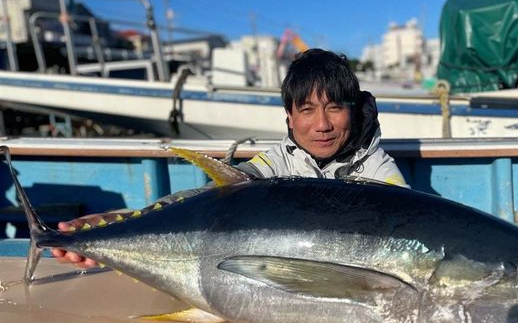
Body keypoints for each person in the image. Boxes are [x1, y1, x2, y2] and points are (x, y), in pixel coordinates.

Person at [53, 48, 408, 267]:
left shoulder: (379, 172)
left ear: (353, 110)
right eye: (307, 110)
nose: (322, 125)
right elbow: (214, 198)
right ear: (289, 117)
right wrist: (125, 222)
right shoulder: (277, 162)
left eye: (334, 108)